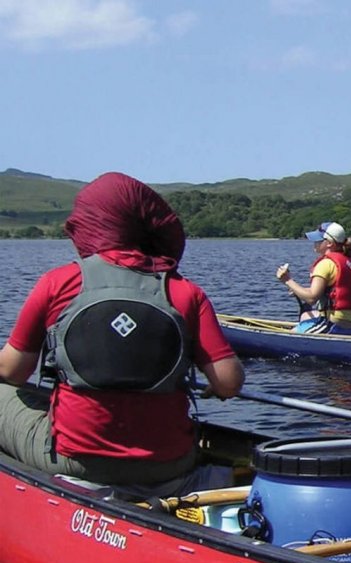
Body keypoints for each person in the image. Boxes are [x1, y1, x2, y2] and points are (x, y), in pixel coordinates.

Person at [0, 172, 245, 497]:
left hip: (75, 461)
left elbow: (12, 371)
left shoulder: (58, 283)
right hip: (169, 463)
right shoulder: (185, 293)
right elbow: (229, 382)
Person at [275, 221, 351, 334]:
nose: (314, 242)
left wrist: (287, 280)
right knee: (305, 316)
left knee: (292, 333)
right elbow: (324, 292)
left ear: (329, 243)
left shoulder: (325, 264)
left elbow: (311, 299)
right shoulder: (349, 263)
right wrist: (298, 290)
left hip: (334, 324)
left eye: (318, 240)